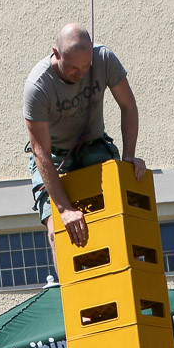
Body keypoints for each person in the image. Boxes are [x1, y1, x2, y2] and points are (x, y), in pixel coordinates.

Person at [23, 23, 146, 255]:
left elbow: (128, 106)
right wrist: (64, 208)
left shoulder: (104, 58)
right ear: (56, 54)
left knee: (116, 210)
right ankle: (68, 289)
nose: (80, 74)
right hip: (54, 157)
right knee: (56, 228)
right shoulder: (38, 86)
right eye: (72, 68)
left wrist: (129, 156)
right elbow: (41, 152)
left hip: (94, 147)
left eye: (85, 66)